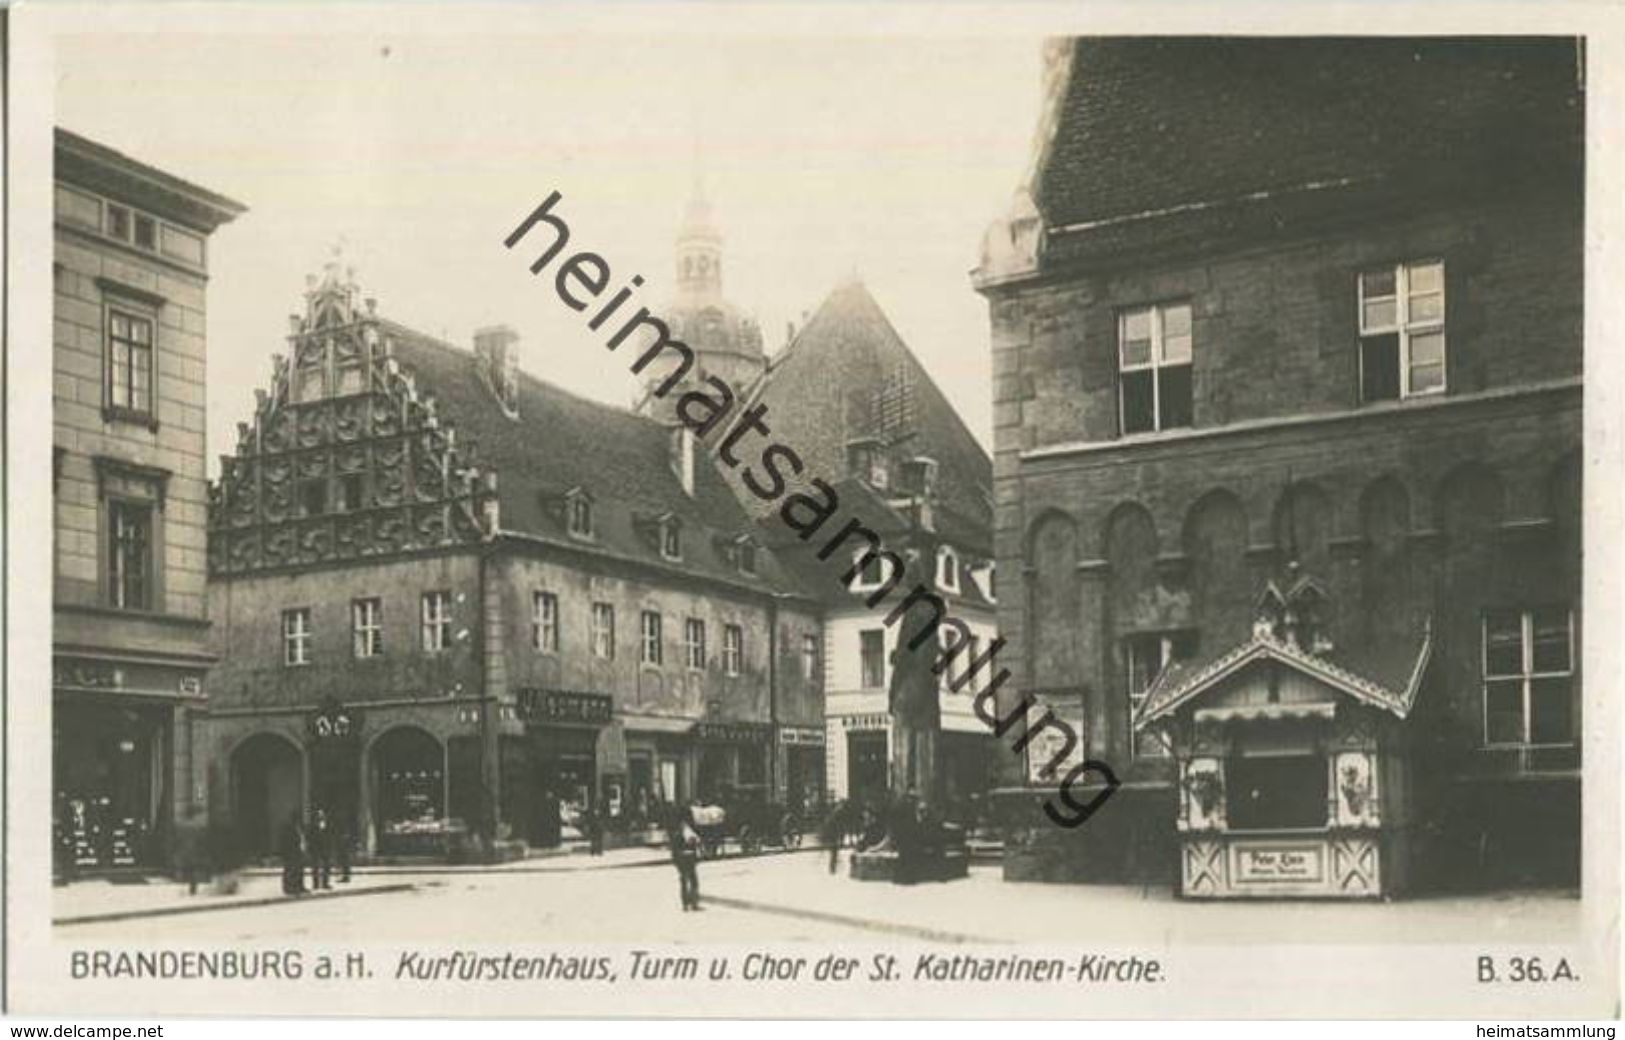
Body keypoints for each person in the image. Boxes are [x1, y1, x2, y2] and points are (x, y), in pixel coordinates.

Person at [668, 807, 702, 911]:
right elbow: (695, 845)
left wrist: (675, 860)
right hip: (687, 858)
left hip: (683, 858)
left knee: (685, 880)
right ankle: (691, 902)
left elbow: (674, 849)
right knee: (692, 880)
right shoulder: (687, 832)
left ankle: (687, 903)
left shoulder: (677, 833)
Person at [277, 810, 307, 896]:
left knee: (299, 869)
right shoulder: (288, 827)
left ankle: (299, 886)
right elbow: (284, 841)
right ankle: (289, 887)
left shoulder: (299, 827)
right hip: (291, 851)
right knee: (290, 869)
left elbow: (302, 838)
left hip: (298, 850)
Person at [307, 808, 334, 890]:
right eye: (319, 815)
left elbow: (330, 836)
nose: (321, 816)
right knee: (315, 867)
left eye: (322, 815)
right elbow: (309, 837)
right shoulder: (312, 826)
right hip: (315, 848)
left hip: (325, 848)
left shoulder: (327, 825)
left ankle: (325, 883)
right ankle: (315, 884)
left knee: (326, 866)